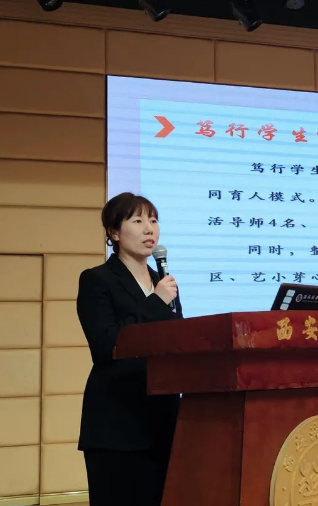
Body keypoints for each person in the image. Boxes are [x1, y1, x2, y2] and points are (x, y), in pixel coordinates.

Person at [76, 192, 183, 506]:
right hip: (117, 425)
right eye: (137, 221)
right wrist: (156, 302)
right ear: (114, 232)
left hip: (164, 421)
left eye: (153, 220)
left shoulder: (163, 282)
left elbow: (178, 339)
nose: (149, 229)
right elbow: (105, 345)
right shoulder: (97, 280)